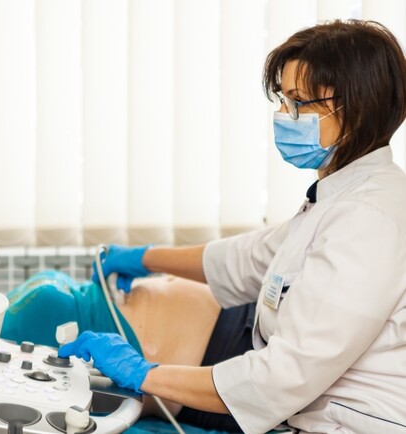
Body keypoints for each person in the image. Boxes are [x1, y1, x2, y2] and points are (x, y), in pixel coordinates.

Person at [58, 19, 406, 434]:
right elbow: (248, 259)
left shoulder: (370, 220)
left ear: (358, 107)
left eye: (299, 102)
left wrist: (144, 373)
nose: (284, 115)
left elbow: (282, 376)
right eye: (283, 100)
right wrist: (144, 258)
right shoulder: (341, 200)